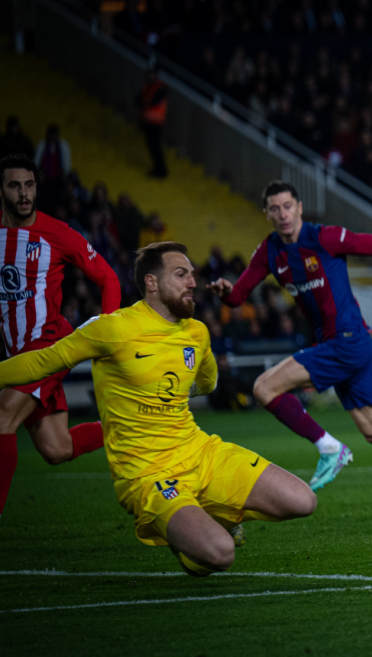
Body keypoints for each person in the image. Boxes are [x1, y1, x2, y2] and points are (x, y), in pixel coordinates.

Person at [0, 242, 316, 575]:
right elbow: (42, 362)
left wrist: (179, 391)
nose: (192, 282)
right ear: (151, 282)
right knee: (220, 555)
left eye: (192, 274)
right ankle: (190, 541)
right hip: (147, 474)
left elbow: (208, 383)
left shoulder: (197, 332)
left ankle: (211, 514)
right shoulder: (112, 329)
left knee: (303, 501)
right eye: (181, 274)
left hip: (199, 452)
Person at [207, 181, 372, 510]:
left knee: (264, 388)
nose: (283, 214)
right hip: (343, 345)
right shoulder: (269, 252)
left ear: (300, 207)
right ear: (266, 214)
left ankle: (329, 448)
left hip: (347, 341)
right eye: (275, 208)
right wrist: (225, 292)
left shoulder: (324, 237)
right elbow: (238, 296)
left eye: (288, 206)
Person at [0, 154, 121, 521]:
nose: (24, 193)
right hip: (14, 355)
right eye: (14, 185)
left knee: (2, 416)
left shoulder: (58, 233)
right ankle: (126, 421)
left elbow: (109, 278)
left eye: (30, 185)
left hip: (49, 345)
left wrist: (107, 331)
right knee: (56, 447)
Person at [138, 68, 169, 178]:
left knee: (155, 146)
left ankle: (161, 169)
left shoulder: (160, 87)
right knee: (151, 146)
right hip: (146, 121)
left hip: (156, 122)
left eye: (152, 74)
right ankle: (158, 168)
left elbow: (153, 101)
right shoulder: (146, 88)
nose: (150, 77)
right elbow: (137, 100)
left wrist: (145, 102)